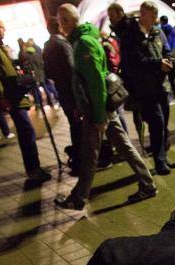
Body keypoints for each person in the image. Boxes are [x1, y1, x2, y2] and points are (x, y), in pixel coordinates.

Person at [53, 5, 157, 211]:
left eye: (60, 20)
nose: (59, 25)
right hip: (98, 106)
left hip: (97, 108)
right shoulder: (84, 40)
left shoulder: (83, 43)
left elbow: (95, 82)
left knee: (90, 154)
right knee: (123, 146)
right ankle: (147, 184)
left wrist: (98, 115)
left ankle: (78, 197)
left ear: (67, 21)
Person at [0, 18, 50, 183]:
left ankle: (34, 168)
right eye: (2, 27)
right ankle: (33, 169)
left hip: (13, 93)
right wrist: (1, 96)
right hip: (10, 95)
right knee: (26, 130)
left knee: (26, 130)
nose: (4, 31)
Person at [122, 1, 175, 175]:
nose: (155, 18)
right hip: (145, 88)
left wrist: (168, 60)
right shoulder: (131, 36)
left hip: (161, 86)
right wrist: (158, 64)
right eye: (153, 15)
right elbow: (135, 62)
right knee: (156, 122)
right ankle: (159, 162)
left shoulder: (157, 31)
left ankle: (163, 157)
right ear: (143, 14)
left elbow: (167, 51)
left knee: (164, 122)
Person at [44, 16, 81, 176]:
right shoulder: (62, 43)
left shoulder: (47, 45)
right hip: (71, 91)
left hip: (62, 90)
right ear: (59, 27)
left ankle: (79, 159)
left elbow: (48, 72)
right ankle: (82, 161)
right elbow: (72, 68)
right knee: (78, 124)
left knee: (74, 124)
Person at [107, 3, 147, 151]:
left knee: (147, 111)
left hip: (139, 76)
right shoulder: (118, 31)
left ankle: (156, 143)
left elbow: (136, 52)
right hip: (130, 77)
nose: (110, 19)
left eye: (112, 16)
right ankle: (143, 143)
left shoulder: (130, 28)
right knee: (138, 112)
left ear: (120, 13)